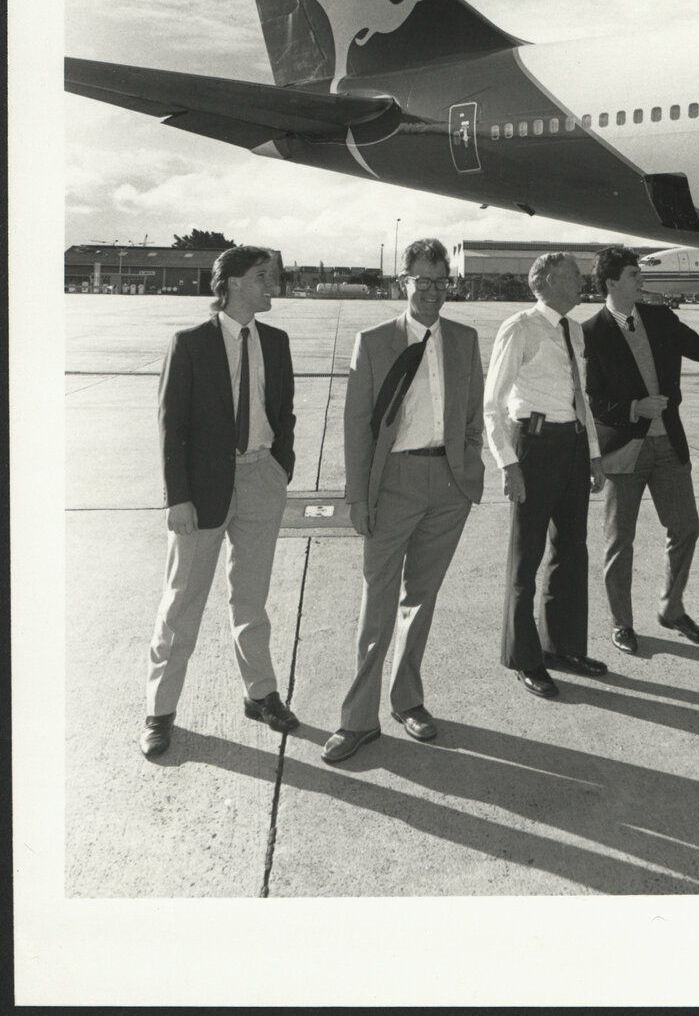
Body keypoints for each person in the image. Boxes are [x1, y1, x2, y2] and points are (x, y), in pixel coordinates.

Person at [321, 238, 484, 763]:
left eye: (441, 282)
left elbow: (474, 414)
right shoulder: (373, 342)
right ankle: (358, 719)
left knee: (422, 598)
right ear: (403, 283)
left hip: (449, 486)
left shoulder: (464, 338)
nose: (433, 291)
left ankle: (407, 700)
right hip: (393, 483)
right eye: (422, 281)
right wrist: (357, 497)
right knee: (378, 602)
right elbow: (356, 426)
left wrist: (469, 467)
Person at [141, 246, 297, 758]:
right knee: (182, 602)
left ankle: (261, 694)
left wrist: (280, 468)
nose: (272, 284)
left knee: (251, 598)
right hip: (202, 490)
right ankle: (160, 710)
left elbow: (284, 412)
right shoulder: (189, 344)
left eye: (273, 276)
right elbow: (171, 427)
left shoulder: (277, 342)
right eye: (262, 276)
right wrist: (177, 497)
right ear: (231, 283)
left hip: (261, 481)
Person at [582, 245, 699, 656]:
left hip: (668, 442)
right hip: (624, 450)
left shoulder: (660, 318)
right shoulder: (591, 332)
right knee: (619, 541)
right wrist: (634, 408)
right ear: (612, 282)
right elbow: (592, 399)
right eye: (634, 274)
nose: (641, 280)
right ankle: (622, 622)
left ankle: (671, 607)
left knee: (686, 527)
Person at [484, 252, 606, 699]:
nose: (582, 281)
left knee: (571, 551)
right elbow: (492, 403)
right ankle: (525, 657)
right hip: (533, 448)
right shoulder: (520, 327)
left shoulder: (573, 329)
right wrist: (507, 463)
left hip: (572, 445)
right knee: (527, 556)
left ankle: (563, 646)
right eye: (574, 275)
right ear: (551, 280)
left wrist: (593, 454)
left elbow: (580, 397)